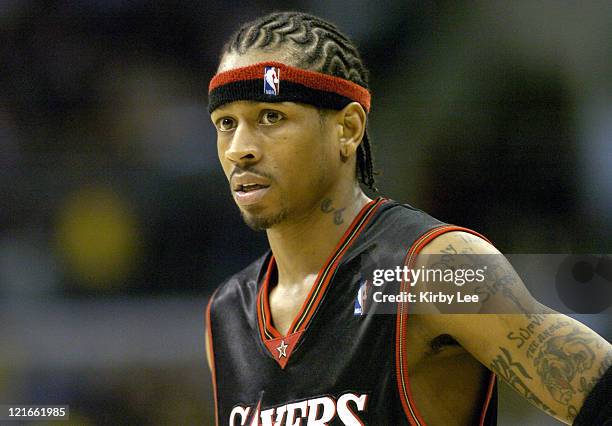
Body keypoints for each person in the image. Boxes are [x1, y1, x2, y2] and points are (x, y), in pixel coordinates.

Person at [205, 11, 612, 426]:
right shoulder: (228, 310)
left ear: (347, 129)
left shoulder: (428, 269)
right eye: (226, 123)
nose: (240, 149)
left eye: (271, 117)